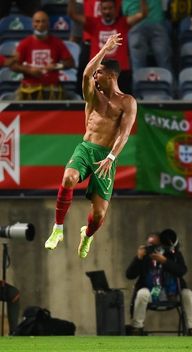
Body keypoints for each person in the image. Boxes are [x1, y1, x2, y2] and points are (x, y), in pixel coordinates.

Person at [45, 33, 137, 258]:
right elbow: (86, 73)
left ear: (111, 75)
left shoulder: (127, 102)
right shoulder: (93, 96)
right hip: (86, 148)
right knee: (68, 178)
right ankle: (58, 229)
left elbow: (124, 134)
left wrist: (112, 157)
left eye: (100, 72)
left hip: (106, 157)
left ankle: (87, 235)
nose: (95, 76)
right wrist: (104, 48)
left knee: (98, 215)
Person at [126, 229, 192, 336]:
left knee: (187, 294)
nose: (152, 248)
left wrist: (164, 261)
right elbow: (129, 275)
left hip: (172, 293)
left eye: (155, 245)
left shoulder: (173, 254)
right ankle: (137, 328)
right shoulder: (144, 257)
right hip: (152, 293)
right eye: (149, 245)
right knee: (142, 293)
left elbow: (182, 271)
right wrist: (138, 258)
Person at [68, 0, 147, 96]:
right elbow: (72, 15)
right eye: (104, 9)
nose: (107, 11)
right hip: (99, 72)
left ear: (115, 10)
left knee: (122, 105)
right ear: (100, 10)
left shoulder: (123, 23)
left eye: (110, 8)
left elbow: (142, 14)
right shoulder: (93, 23)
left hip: (120, 72)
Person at [11, 11, 75, 100]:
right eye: (37, 21)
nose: (40, 24)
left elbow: (71, 62)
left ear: (48, 23)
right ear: (33, 24)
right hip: (30, 88)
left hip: (52, 88)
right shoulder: (25, 43)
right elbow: (13, 65)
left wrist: (56, 66)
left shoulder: (57, 42)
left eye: (43, 21)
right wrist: (29, 70)